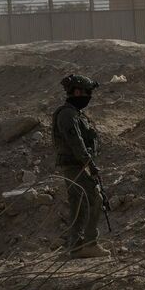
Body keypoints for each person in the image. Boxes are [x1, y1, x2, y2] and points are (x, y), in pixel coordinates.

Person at [52, 73, 108, 259]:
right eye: (86, 92)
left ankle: (77, 246)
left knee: (82, 202)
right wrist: (90, 164)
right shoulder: (67, 115)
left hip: (77, 165)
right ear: (76, 91)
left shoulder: (75, 114)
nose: (89, 97)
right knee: (93, 199)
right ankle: (88, 243)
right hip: (75, 165)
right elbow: (76, 143)